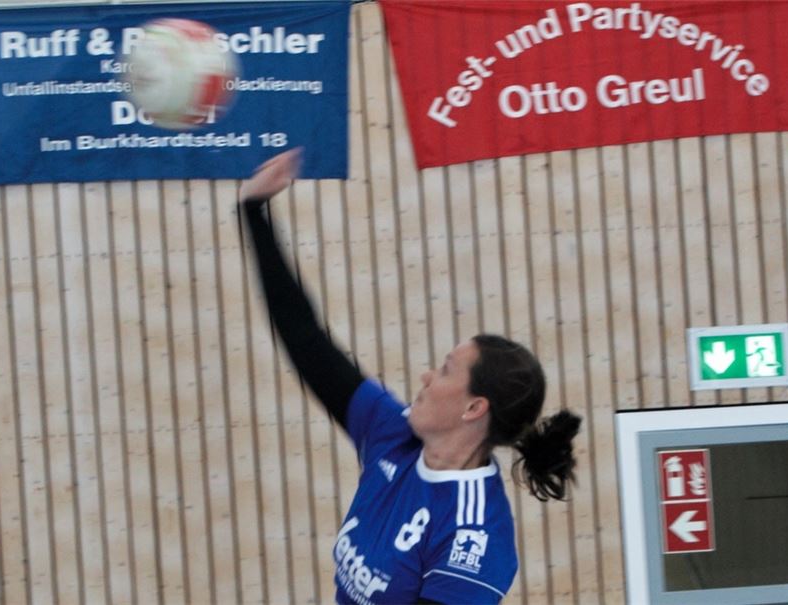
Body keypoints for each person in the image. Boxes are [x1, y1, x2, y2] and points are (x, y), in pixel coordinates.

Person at [240, 149, 581, 605]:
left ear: (473, 407)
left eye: (444, 370)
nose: (426, 376)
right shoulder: (393, 433)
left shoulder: (474, 534)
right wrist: (255, 211)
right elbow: (307, 342)